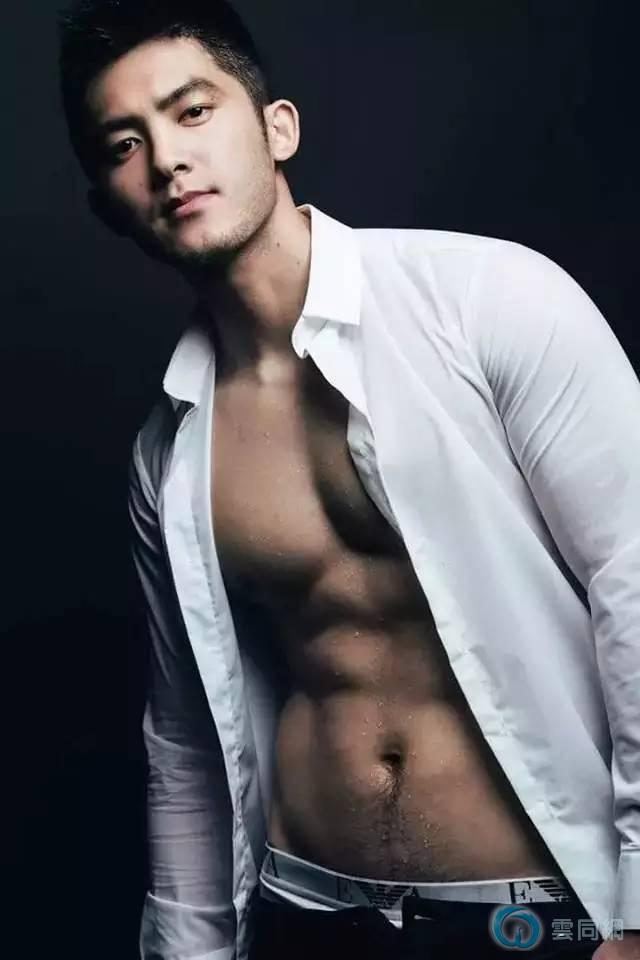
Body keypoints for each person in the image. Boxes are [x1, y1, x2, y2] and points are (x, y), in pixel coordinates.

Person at [57, 1, 640, 958]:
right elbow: (186, 736)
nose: (166, 160)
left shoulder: (489, 301)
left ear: (277, 128)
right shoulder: (169, 451)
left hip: (527, 915)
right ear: (106, 205)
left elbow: (634, 578)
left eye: (193, 111)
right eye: (125, 144)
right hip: (305, 912)